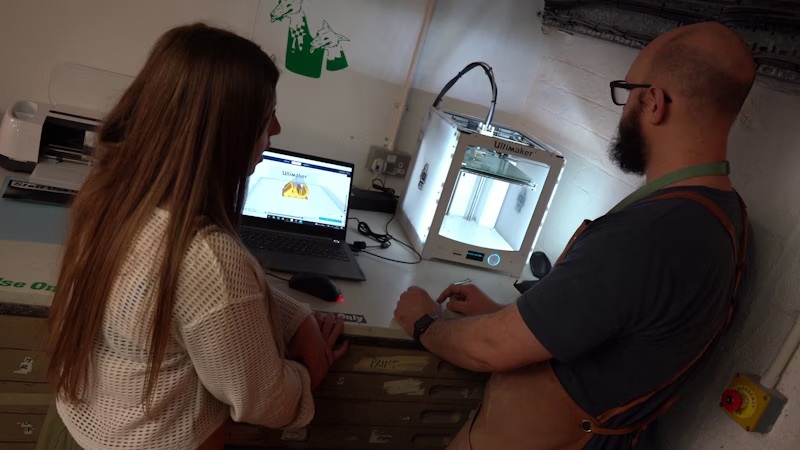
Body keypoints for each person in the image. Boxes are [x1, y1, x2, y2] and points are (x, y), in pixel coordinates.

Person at [394, 22, 756, 449]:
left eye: (628, 92)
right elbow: (618, 335)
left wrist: (423, 322)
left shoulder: (651, 234)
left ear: (654, 103)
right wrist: (503, 312)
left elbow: (488, 349)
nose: (624, 111)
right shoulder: (723, 216)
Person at [41, 24, 347, 450]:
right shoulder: (207, 257)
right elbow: (266, 402)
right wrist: (306, 372)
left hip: (69, 430)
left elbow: (196, 303)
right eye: (265, 116)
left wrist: (296, 317)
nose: (275, 128)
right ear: (223, 130)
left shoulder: (112, 195)